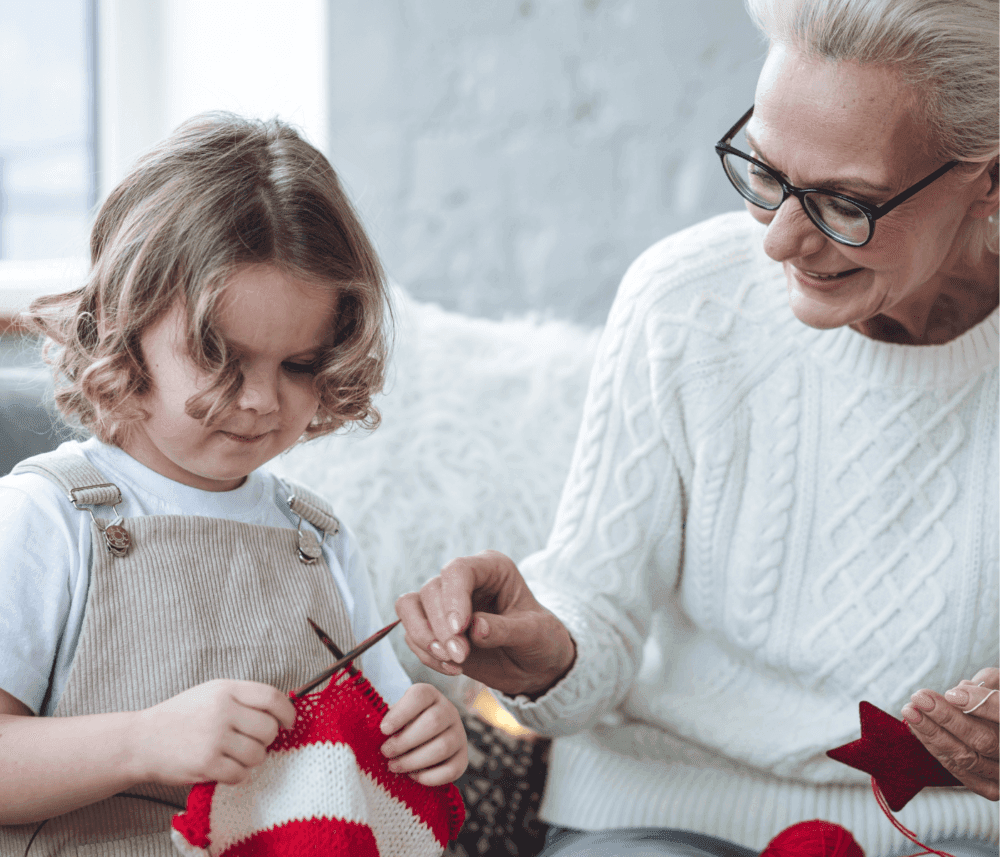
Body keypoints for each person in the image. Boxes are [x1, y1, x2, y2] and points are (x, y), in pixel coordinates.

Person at [395, 0, 999, 854]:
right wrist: (542, 651)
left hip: (944, 831)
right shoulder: (683, 304)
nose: (782, 240)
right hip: (659, 811)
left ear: (989, 181)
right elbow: (595, 609)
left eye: (843, 202)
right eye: (764, 172)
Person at [0, 113, 467, 854]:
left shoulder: (316, 538)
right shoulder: (46, 517)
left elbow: (368, 747)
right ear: (125, 324)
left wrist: (424, 738)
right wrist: (142, 743)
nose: (260, 399)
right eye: (221, 357)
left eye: (300, 364)